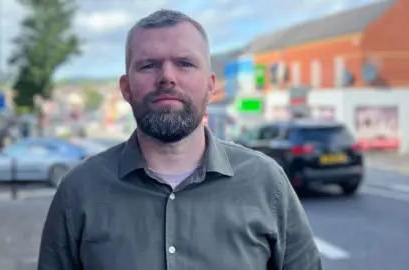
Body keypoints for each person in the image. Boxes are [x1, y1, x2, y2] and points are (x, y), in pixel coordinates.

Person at [37, 9, 323, 270]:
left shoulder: (267, 182)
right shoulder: (78, 191)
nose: (167, 77)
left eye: (185, 63)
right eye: (149, 65)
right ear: (126, 88)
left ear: (211, 86)